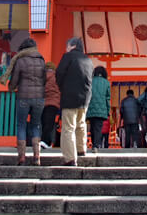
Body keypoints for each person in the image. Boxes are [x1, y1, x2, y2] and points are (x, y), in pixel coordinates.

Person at [6, 37, 46, 165]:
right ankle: (37, 156)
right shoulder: (41, 60)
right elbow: (44, 79)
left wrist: (11, 88)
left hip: (23, 97)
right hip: (39, 98)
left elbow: (15, 79)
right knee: (36, 125)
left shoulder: (20, 61)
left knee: (21, 125)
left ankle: (22, 156)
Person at [55, 37, 93, 166]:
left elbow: (59, 74)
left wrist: (63, 88)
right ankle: (81, 150)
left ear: (72, 46)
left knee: (68, 128)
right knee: (81, 124)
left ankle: (70, 158)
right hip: (85, 97)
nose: (66, 49)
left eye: (67, 46)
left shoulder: (68, 57)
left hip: (70, 96)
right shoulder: (88, 60)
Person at [86, 66, 111, 151]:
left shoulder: (90, 81)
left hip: (91, 108)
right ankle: (96, 145)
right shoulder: (106, 83)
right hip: (101, 109)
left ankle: (94, 144)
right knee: (98, 127)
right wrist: (108, 110)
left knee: (92, 127)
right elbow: (107, 98)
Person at [40, 61, 60, 149]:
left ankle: (44, 141)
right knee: (50, 123)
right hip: (54, 102)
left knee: (43, 122)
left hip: (43, 102)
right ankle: (47, 141)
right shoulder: (57, 77)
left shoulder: (42, 77)